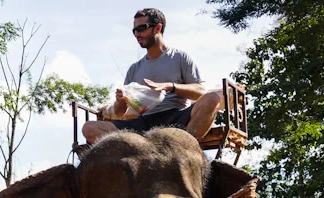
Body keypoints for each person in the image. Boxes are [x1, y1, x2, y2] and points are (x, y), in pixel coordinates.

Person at [82, 8, 223, 145]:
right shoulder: (134, 68)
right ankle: (139, 152)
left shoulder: (180, 57)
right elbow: (120, 112)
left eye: (141, 28)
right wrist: (120, 100)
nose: (137, 34)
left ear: (158, 28)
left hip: (176, 117)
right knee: (89, 128)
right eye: (134, 30)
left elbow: (200, 92)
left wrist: (170, 86)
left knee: (212, 99)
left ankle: (184, 147)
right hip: (144, 123)